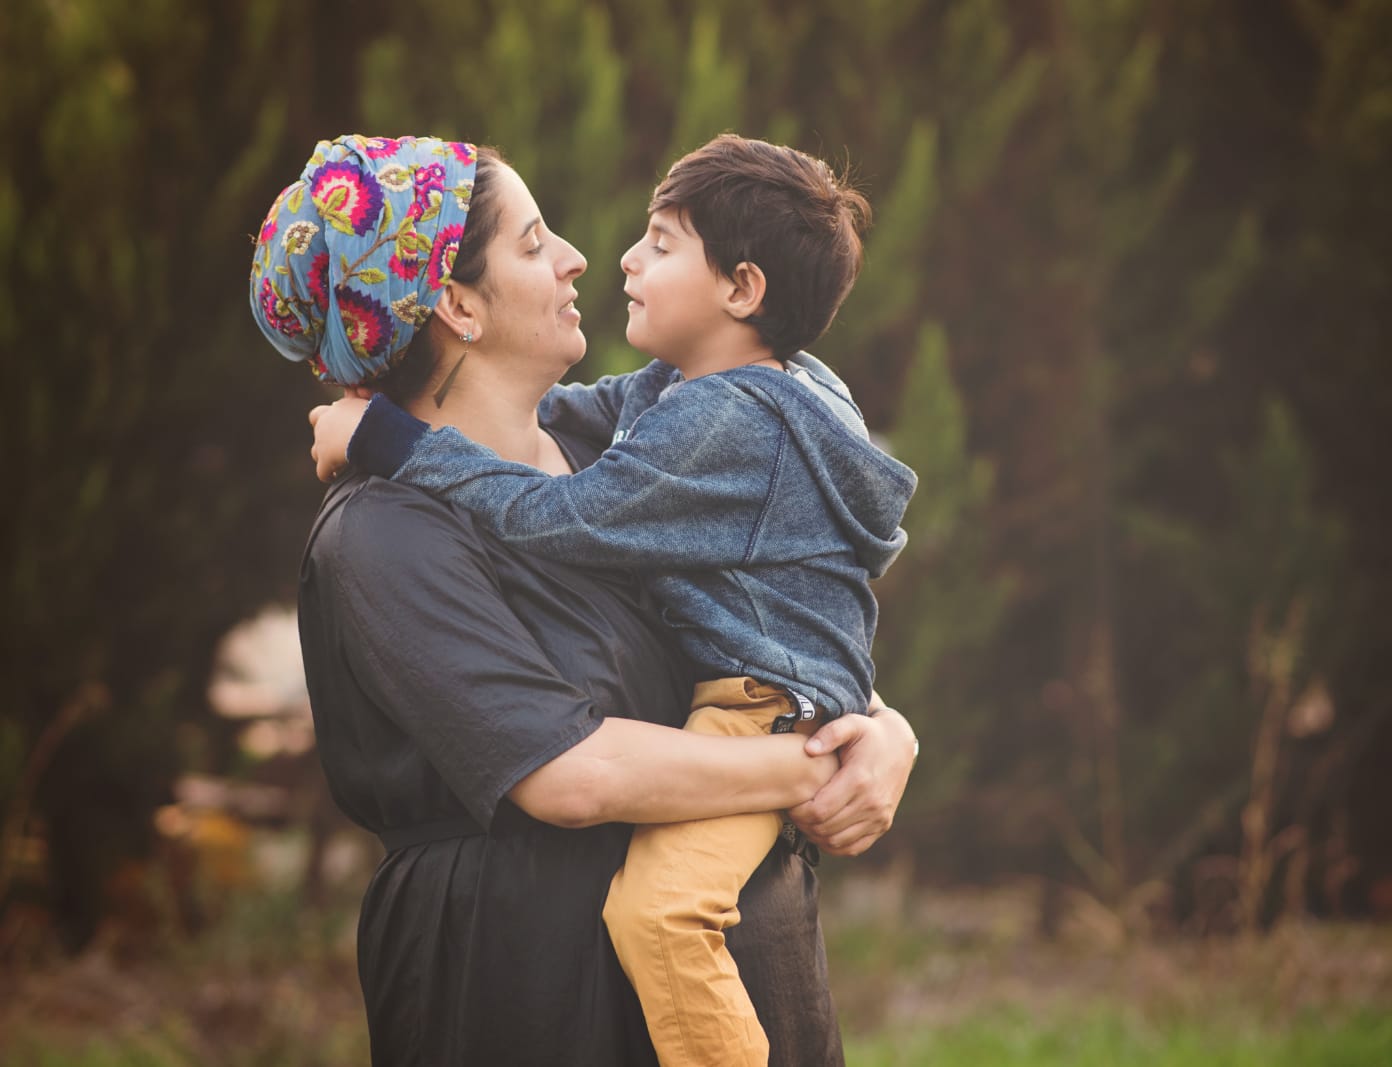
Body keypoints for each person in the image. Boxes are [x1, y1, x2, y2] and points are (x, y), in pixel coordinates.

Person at [249, 133, 918, 1066]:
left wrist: (884, 730)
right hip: (531, 994)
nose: (577, 256)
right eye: (532, 242)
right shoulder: (385, 535)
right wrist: (817, 765)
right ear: (455, 303)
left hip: (749, 976)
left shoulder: (624, 442)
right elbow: (567, 771)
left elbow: (770, 616)